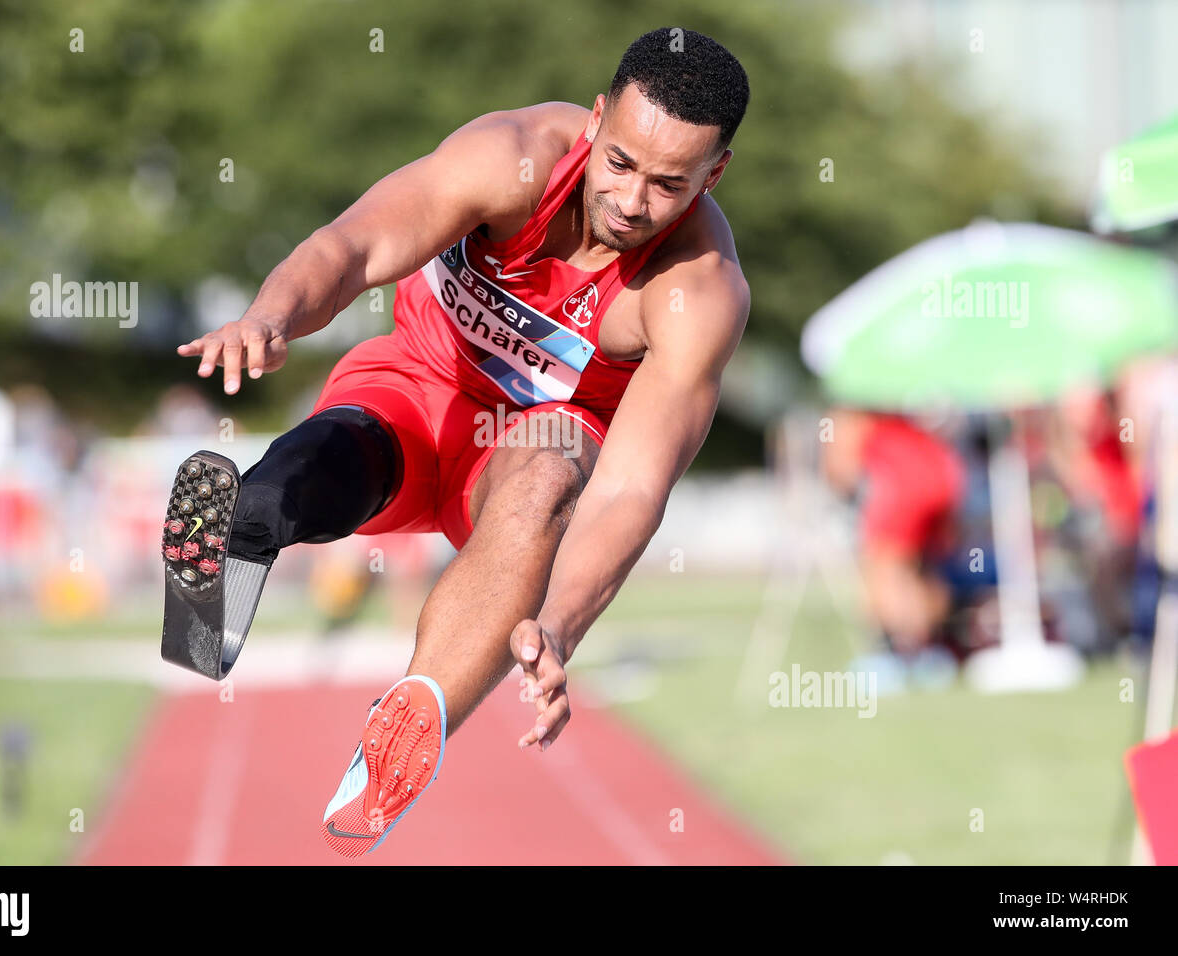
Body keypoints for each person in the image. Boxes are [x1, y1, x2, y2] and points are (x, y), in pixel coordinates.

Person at [162, 28, 751, 856]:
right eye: (619, 163)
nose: (630, 201)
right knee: (280, 491)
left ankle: (407, 730)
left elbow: (631, 488)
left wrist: (558, 625)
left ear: (713, 174)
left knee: (552, 468)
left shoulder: (697, 291)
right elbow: (357, 244)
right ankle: (235, 545)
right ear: (594, 121)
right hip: (416, 392)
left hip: (521, 465)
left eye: (668, 185)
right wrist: (270, 316)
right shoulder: (510, 159)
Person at [822, 408, 966, 690]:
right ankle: (927, 654)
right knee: (921, 572)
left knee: (882, 570)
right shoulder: (898, 404)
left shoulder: (853, 406)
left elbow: (841, 462)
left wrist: (845, 493)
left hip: (901, 485)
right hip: (942, 474)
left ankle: (897, 656)